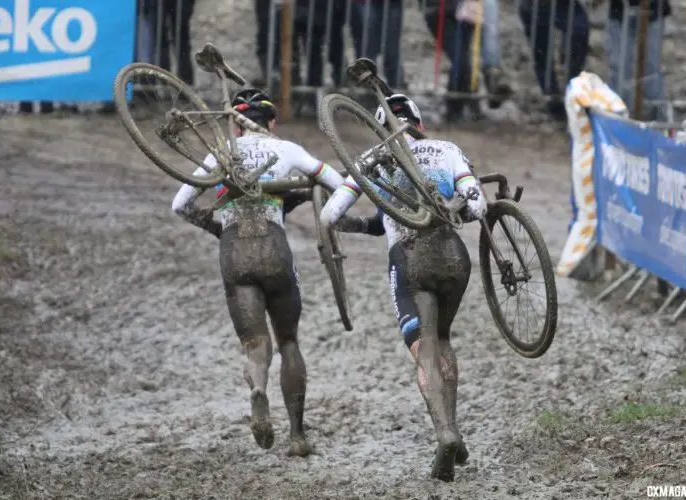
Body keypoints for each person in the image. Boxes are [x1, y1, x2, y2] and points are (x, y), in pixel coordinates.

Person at [318, 94, 488, 481]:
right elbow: (477, 209)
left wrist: (353, 225)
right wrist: (454, 202)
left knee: (424, 346)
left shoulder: (370, 162)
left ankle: (444, 433)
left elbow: (330, 215)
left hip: (409, 261)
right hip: (453, 255)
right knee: (444, 338)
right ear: (418, 123)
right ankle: (455, 428)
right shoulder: (445, 149)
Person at [171, 89, 345, 457]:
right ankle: (297, 435)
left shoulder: (220, 152)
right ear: (272, 122)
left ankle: (258, 390)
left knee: (255, 343)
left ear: (236, 126)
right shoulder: (286, 149)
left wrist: (214, 227)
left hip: (234, 249)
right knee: (289, 341)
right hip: (274, 247)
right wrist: (298, 196)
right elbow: (336, 183)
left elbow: (180, 204)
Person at [518, 0, 590, 121]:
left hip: (564, 6)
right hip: (534, 5)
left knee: (579, 29)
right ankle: (552, 96)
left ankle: (572, 90)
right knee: (541, 52)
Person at [607, 0, 670, 121]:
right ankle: (617, 117)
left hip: (653, 11)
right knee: (620, 67)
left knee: (651, 67)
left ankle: (657, 120)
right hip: (620, 11)